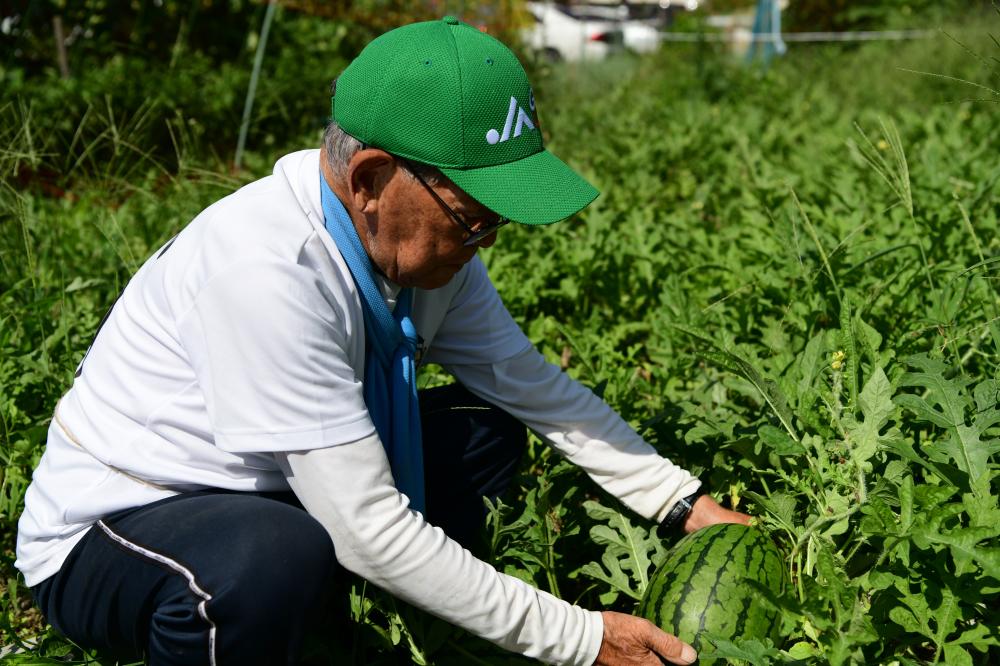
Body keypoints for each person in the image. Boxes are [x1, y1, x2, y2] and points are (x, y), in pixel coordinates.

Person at [15, 16, 749, 666]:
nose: (486, 241)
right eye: (473, 218)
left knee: (486, 431)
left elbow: (530, 385)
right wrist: (582, 640)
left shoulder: (428, 253)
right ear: (371, 179)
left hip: (279, 486)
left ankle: (344, 611)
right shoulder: (266, 271)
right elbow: (364, 526)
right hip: (123, 530)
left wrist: (683, 503)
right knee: (267, 559)